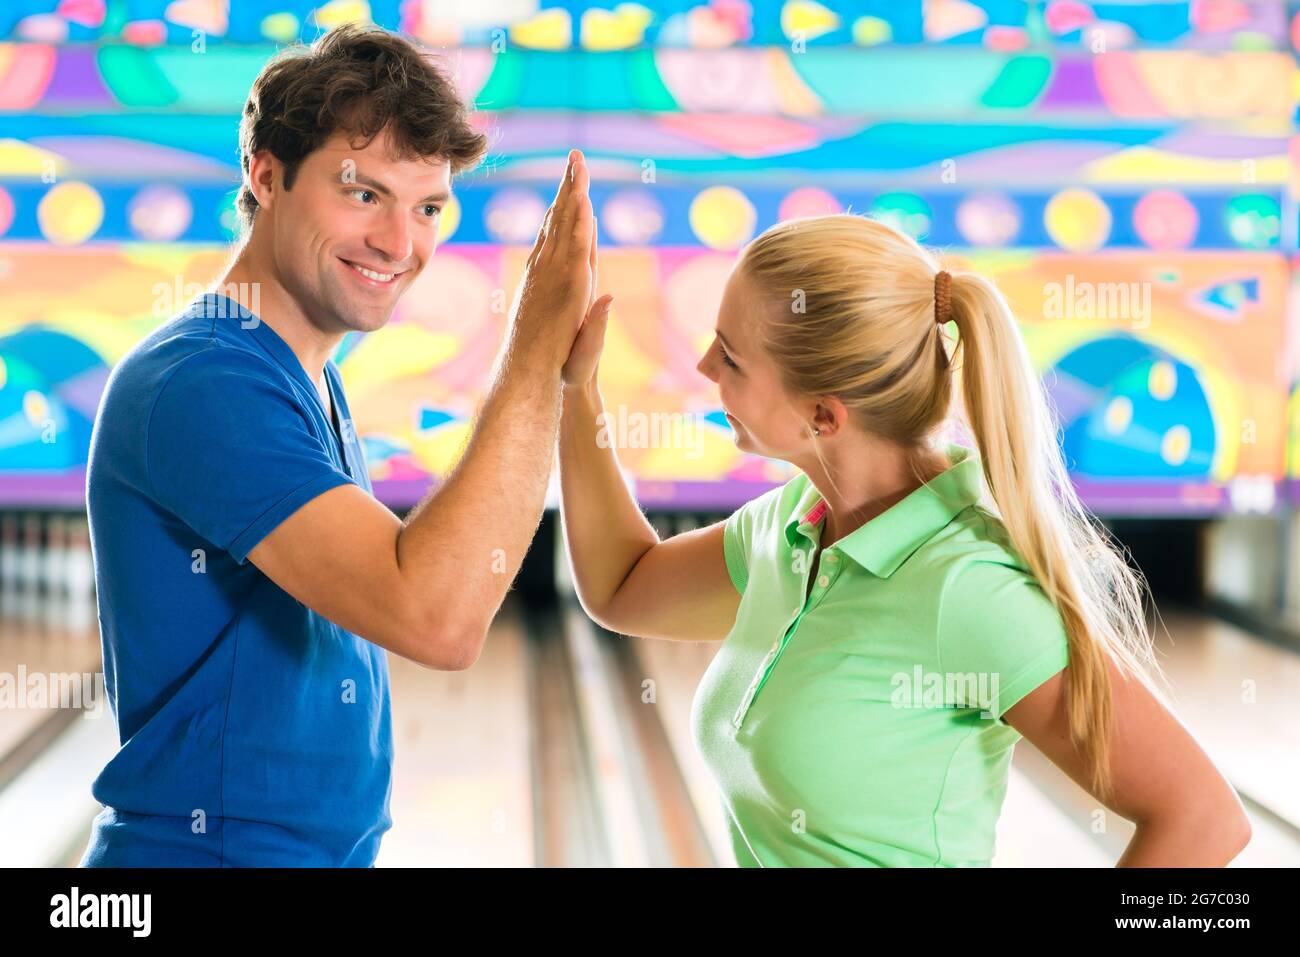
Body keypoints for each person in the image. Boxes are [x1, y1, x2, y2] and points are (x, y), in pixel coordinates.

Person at [557, 213, 1252, 866]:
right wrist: (575, 384)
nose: (706, 367)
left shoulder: (967, 586)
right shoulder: (792, 523)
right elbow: (625, 584)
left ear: (822, 415)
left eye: (731, 358)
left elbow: (1204, 817)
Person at [81, 24, 597, 866]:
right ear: (267, 174)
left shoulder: (301, 374)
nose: (401, 243)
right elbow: (436, 618)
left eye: (427, 206)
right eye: (363, 194)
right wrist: (534, 347)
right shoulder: (205, 383)